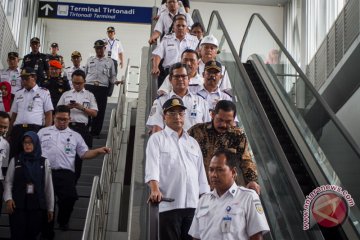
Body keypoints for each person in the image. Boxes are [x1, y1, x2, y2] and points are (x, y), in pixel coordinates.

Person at [38, 105, 110, 236]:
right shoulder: (43, 132)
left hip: (65, 173)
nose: (62, 122)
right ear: (54, 117)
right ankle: (47, 233)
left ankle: (63, 220)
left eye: (65, 119)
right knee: (46, 202)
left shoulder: (75, 135)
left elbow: (84, 154)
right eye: (59, 119)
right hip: (45, 171)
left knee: (70, 198)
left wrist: (98, 151)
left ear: (69, 119)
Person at [145, 97, 209, 240]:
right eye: (172, 113)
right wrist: (155, 189)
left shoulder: (193, 142)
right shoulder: (157, 139)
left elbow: (201, 175)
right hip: (170, 204)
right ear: (164, 117)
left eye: (180, 113)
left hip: (193, 205)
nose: (177, 117)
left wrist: (206, 200)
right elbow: (152, 167)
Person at [188, 149, 270, 240]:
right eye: (211, 170)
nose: (214, 175)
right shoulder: (203, 200)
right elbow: (196, 237)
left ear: (233, 172)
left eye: (220, 170)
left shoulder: (248, 197)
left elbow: (256, 237)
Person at [188, 100, 260, 194]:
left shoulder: (238, 135)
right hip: (200, 188)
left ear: (234, 119)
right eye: (220, 120)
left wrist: (252, 180)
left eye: (228, 121)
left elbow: (246, 160)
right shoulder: (196, 131)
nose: (223, 125)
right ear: (213, 115)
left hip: (228, 191)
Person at [4, 131, 54, 240]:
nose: (27, 145)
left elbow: (48, 187)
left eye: (30, 143)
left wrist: (50, 208)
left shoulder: (43, 162)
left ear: (36, 144)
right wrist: (8, 199)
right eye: (25, 143)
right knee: (17, 234)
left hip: (36, 205)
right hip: (17, 205)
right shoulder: (15, 160)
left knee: (32, 233)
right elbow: (8, 182)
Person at [57, 69, 98, 182]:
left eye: (79, 83)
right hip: (66, 126)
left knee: (78, 158)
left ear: (84, 82)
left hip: (81, 128)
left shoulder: (89, 95)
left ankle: (74, 181)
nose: (77, 85)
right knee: (64, 154)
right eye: (75, 82)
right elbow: (57, 110)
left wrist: (82, 108)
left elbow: (94, 113)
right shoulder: (66, 94)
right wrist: (67, 108)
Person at [147, 63, 210, 133]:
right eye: (176, 76)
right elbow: (157, 129)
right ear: (170, 79)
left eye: (183, 76)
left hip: (194, 143)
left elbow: (207, 129)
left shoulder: (201, 102)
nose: (180, 79)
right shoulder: (160, 101)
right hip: (169, 143)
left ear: (189, 79)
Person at [8, 67, 53, 159]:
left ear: (34, 77)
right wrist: (9, 132)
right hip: (18, 129)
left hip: (34, 129)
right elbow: (14, 115)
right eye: (22, 79)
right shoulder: (18, 93)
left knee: (33, 157)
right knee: (14, 156)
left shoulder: (43, 92)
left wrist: (46, 131)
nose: (24, 81)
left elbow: (48, 114)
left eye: (26, 78)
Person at [152, 16, 199, 86]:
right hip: (170, 72)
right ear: (173, 28)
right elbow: (158, 54)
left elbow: (198, 56)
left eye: (183, 26)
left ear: (187, 29)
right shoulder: (166, 39)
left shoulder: (194, 40)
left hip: (187, 72)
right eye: (178, 25)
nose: (180, 28)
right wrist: (155, 67)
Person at [84, 40, 118, 137]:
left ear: (104, 48)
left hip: (102, 88)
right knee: (87, 108)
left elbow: (112, 76)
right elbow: (85, 73)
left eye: (101, 48)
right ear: (95, 49)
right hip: (89, 86)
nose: (99, 50)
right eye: (97, 48)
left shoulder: (110, 61)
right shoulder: (90, 59)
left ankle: (95, 132)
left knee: (100, 110)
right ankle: (85, 129)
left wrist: (116, 81)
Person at [0, 111, 10, 216]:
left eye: (5, 127)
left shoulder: (6, 144)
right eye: (0, 126)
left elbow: (4, 167)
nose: (2, 129)